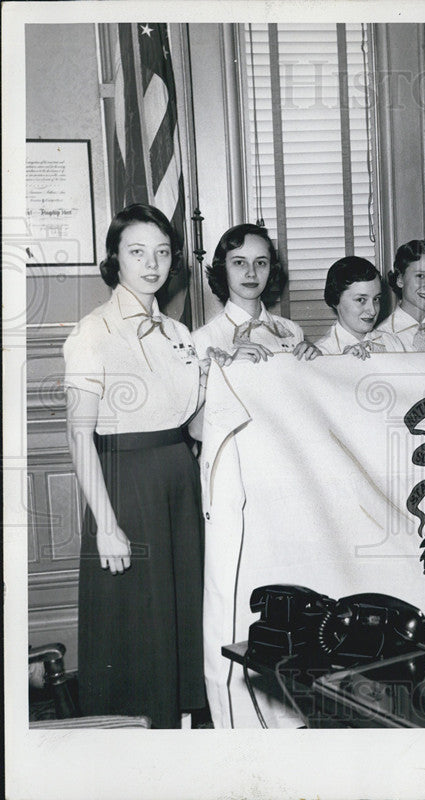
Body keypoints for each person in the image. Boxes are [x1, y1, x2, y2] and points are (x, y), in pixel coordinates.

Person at [62, 203, 206, 728]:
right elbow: (79, 434)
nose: (152, 264)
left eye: (163, 252)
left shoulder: (179, 333)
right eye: (137, 251)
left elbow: (194, 423)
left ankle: (184, 731)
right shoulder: (92, 333)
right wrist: (107, 526)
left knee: (182, 621)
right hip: (127, 487)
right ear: (114, 259)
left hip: (179, 481)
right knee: (138, 630)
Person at [192, 223, 319, 364]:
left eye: (260, 263)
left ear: (271, 269)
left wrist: (317, 363)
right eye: (239, 262)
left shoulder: (292, 331)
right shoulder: (202, 339)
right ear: (223, 268)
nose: (251, 273)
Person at [314, 256, 405, 357]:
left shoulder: (391, 342)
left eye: (376, 299)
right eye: (361, 300)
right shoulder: (322, 354)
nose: (373, 311)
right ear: (336, 300)